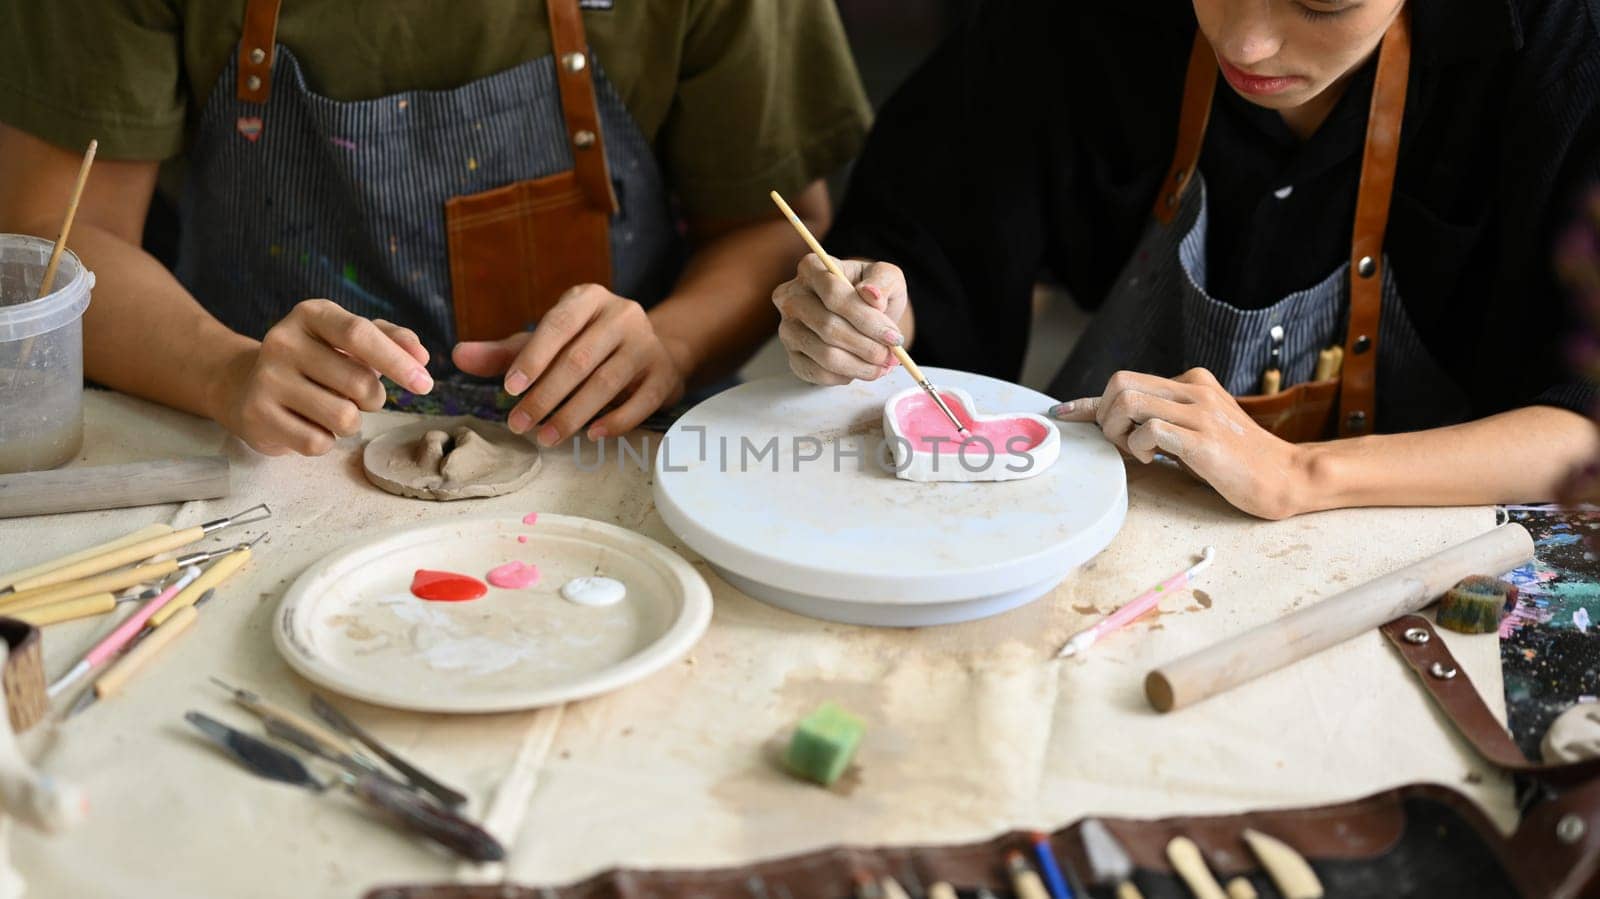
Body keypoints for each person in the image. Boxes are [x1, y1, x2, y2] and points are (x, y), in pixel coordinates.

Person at [772, 0, 1600, 519]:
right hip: (1112, 543)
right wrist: (869, 313)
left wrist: (1301, 474)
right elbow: (932, 244)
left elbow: (1584, 427)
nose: (1250, 39)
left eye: (1322, 2)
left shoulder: (1560, 47)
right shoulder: (1077, 22)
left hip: (1432, 574)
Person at [0, 0, 870, 456]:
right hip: (257, 453)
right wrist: (223, 370)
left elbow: (777, 226)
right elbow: (56, 231)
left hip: (605, 456)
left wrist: (671, 346)